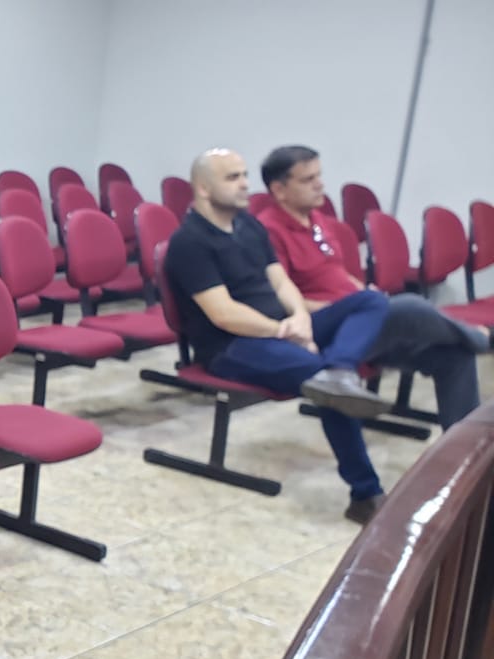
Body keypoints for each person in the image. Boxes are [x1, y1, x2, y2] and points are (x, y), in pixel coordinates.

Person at [164, 149, 396, 524]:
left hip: (282, 328)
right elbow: (223, 314)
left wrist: (300, 317)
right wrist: (283, 331)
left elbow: (280, 281)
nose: (245, 184)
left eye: (244, 175)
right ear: (203, 189)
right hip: (233, 346)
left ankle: (341, 368)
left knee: (370, 301)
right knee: (323, 381)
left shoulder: (248, 226)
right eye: (232, 178)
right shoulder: (189, 242)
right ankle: (366, 495)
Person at [256, 144, 485, 427]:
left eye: (319, 176)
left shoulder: (318, 221)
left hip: (362, 323)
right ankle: (481, 338)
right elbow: (279, 297)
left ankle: (463, 441)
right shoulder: (267, 232)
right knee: (410, 306)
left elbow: (337, 273)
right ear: (279, 190)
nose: (320, 185)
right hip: (326, 329)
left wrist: (362, 291)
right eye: (308, 180)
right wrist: (349, 307)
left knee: (454, 354)